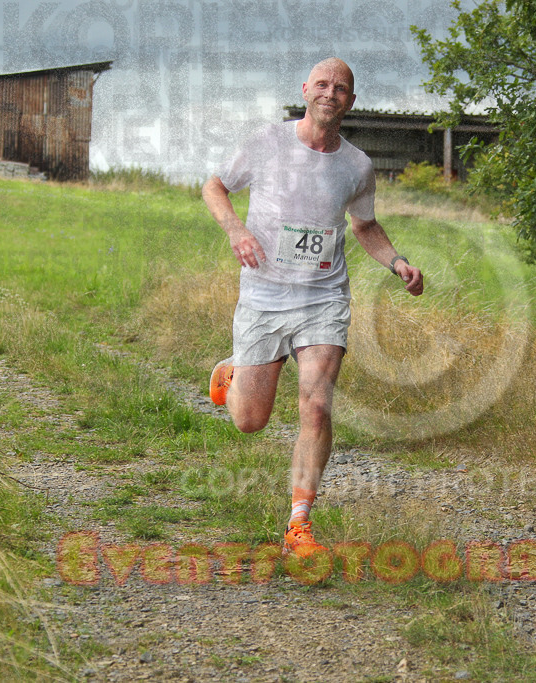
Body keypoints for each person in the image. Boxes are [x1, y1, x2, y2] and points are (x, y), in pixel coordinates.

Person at [202, 57, 424, 558]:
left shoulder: (357, 166)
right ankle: (233, 372)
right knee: (250, 421)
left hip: (323, 297)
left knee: (317, 405)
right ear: (305, 90)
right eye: (322, 84)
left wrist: (398, 264)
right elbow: (214, 186)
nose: (330, 93)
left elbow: (365, 227)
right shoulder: (266, 141)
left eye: (341, 88)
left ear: (351, 99)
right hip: (264, 295)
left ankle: (299, 524)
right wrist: (236, 230)